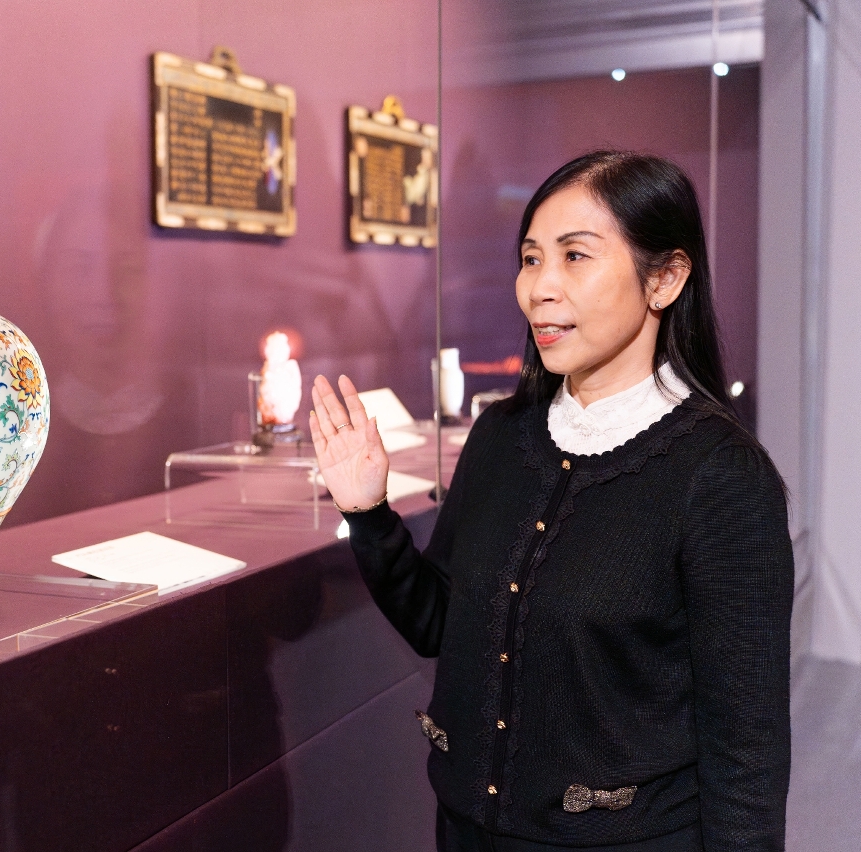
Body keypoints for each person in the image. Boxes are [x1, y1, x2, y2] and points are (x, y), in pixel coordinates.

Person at [309, 151, 792, 852]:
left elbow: (746, 748)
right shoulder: (503, 435)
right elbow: (439, 625)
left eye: (575, 256)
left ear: (665, 278)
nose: (540, 287)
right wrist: (368, 515)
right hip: (465, 829)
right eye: (531, 259)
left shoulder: (719, 474)